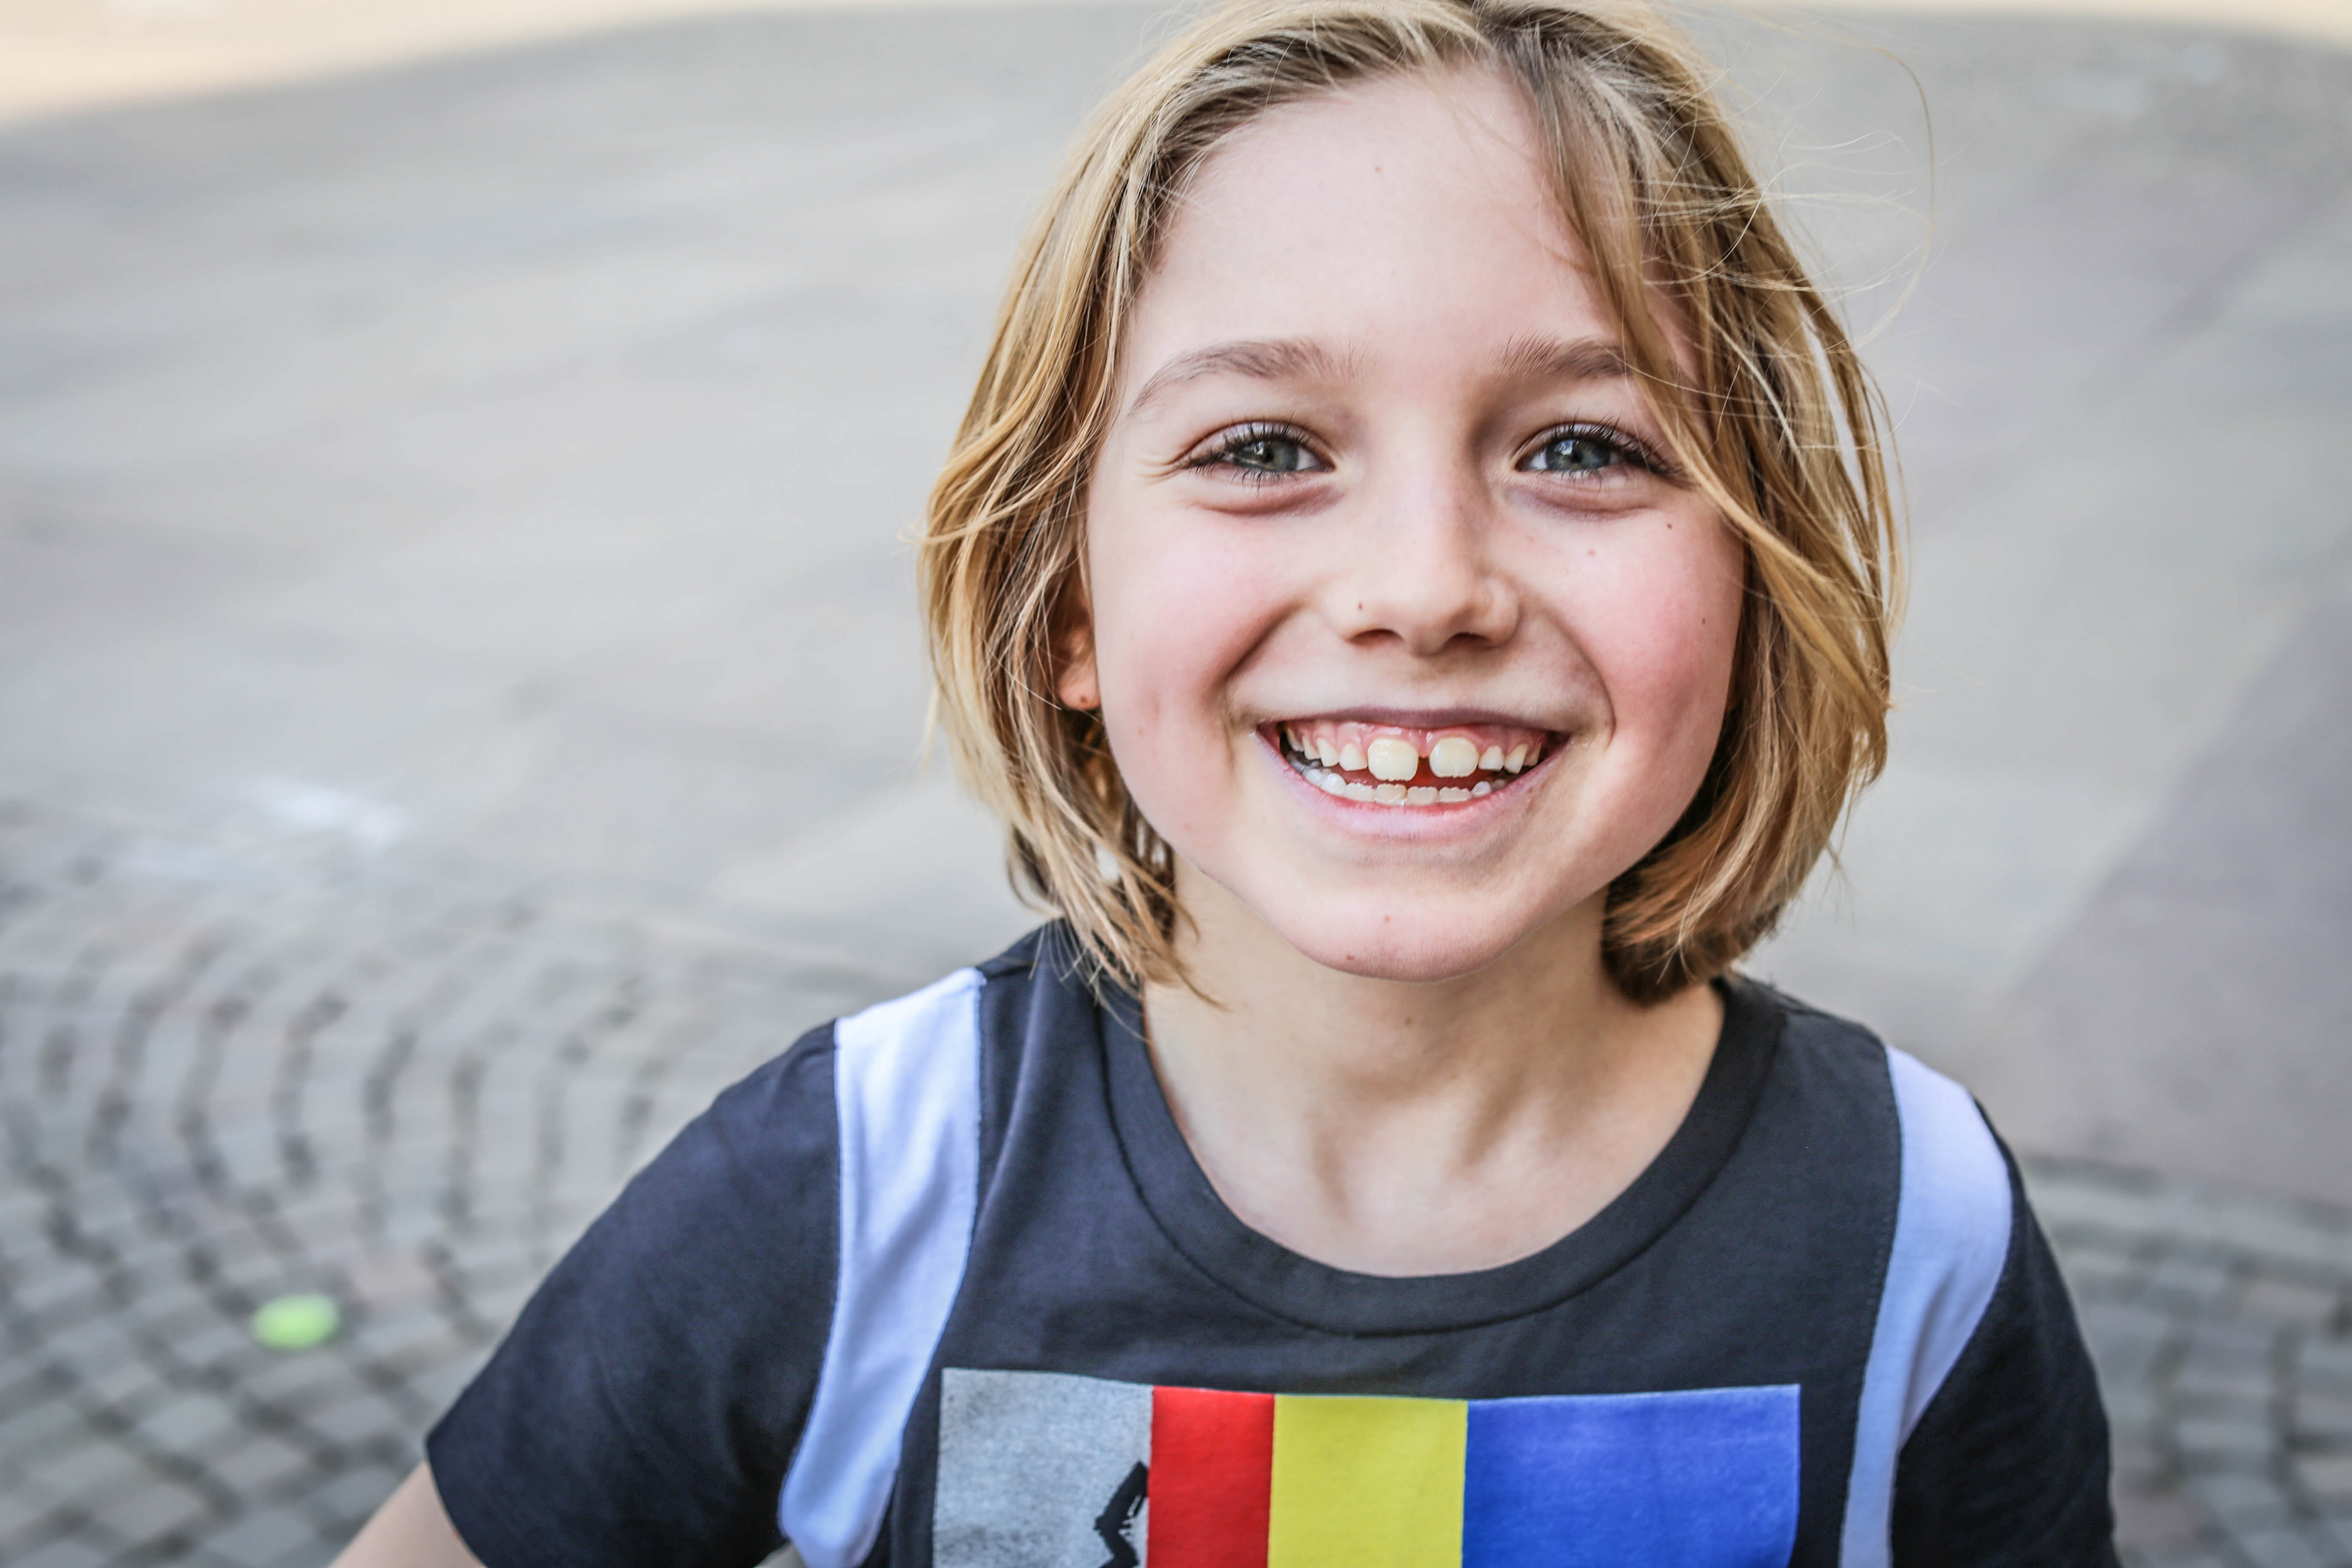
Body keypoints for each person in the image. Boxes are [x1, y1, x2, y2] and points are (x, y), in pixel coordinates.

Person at [336, 1, 2117, 1563]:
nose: (1424, 586)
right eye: (1263, 448)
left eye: (1583, 444)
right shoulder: (852, 1189)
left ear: (1753, 577)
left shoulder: (1915, 1227)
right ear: (1066, 604)